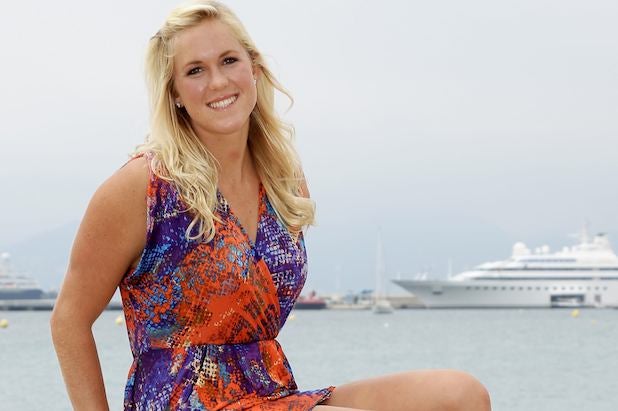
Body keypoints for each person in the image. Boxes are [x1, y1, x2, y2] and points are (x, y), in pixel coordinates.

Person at [50, 1, 491, 410]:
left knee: (461, 395)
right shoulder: (144, 187)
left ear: (254, 69)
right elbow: (69, 319)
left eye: (229, 61)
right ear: (175, 93)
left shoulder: (282, 178)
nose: (218, 82)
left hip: (270, 393)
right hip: (183, 400)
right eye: (195, 70)